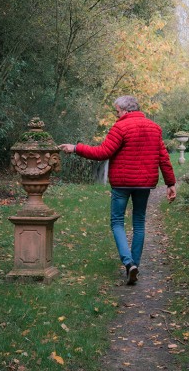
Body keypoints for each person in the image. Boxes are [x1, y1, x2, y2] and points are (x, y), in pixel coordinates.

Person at [59, 95, 176, 285]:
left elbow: (102, 152)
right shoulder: (155, 128)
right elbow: (163, 157)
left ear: (126, 110)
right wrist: (170, 183)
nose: (116, 115)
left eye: (117, 111)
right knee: (139, 223)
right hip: (144, 184)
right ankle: (134, 265)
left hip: (122, 184)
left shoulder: (120, 127)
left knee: (117, 222)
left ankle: (129, 264)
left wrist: (75, 148)